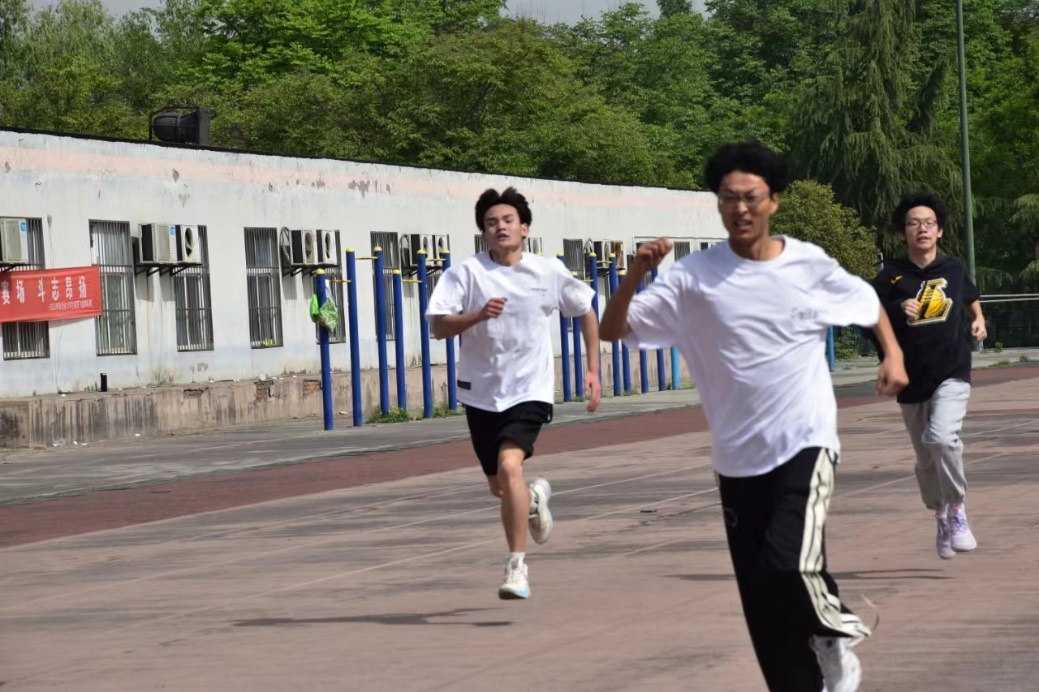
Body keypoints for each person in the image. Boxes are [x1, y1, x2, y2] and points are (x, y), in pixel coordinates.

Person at [599, 142, 908, 692]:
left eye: (751, 197)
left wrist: (894, 355)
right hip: (736, 458)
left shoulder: (807, 264)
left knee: (789, 564)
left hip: (805, 441)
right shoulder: (693, 279)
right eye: (728, 198)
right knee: (762, 599)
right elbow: (612, 330)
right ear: (718, 205)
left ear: (774, 202)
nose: (740, 208)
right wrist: (635, 274)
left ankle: (834, 630)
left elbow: (866, 303)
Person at [427, 186, 602, 600]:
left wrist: (593, 369)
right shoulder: (466, 274)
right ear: (483, 233)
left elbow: (586, 309)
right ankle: (535, 499)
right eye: (491, 223)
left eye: (507, 220)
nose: (500, 227)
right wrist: (476, 315)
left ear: (524, 228)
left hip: (530, 390)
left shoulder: (547, 271)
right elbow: (438, 327)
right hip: (481, 392)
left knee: (510, 467)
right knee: (502, 487)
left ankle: (516, 567)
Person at [868, 192, 985, 560]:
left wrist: (979, 319)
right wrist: (896, 306)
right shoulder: (891, 275)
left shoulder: (953, 268)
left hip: (952, 369)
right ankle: (940, 514)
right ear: (903, 231)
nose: (922, 228)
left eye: (929, 223)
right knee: (925, 458)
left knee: (942, 438)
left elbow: (969, 295)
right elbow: (867, 314)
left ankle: (957, 510)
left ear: (940, 231)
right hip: (911, 378)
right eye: (914, 223)